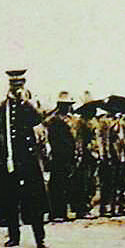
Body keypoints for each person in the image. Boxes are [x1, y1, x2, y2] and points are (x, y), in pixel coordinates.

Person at [0, 70, 49, 248]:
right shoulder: (0, 108)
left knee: (34, 200)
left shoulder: (30, 107)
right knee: (10, 198)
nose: (16, 88)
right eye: (13, 85)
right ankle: (14, 236)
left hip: (28, 161)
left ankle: (40, 238)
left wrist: (25, 103)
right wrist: (1, 152)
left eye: (19, 84)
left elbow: (40, 132)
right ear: (9, 86)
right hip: (9, 161)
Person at [44, 91, 77, 222]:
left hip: (67, 156)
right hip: (58, 156)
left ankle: (62, 211)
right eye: (65, 104)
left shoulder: (68, 120)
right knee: (57, 184)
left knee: (65, 184)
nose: (67, 107)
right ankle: (56, 212)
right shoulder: (54, 120)